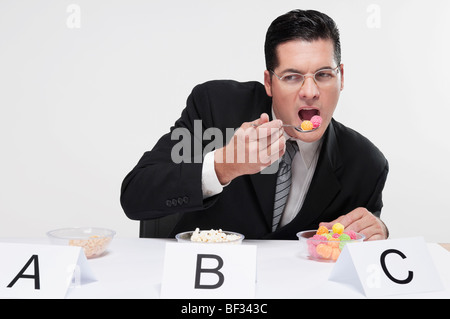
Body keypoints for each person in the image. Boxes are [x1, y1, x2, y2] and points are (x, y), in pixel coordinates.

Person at [120, 9, 389, 240]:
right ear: (269, 82)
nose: (310, 91)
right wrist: (224, 166)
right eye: (292, 77)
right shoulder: (216, 107)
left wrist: (379, 231)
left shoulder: (366, 164)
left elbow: (363, 243)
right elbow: (134, 197)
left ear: (341, 77)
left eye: (323, 74)